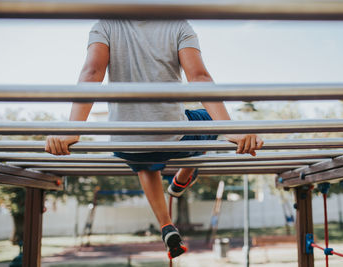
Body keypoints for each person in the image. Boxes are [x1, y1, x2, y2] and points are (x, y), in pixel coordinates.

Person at [45, 20, 264, 259]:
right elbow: (199, 76)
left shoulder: (105, 25)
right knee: (207, 120)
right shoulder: (178, 25)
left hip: (126, 143)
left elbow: (91, 73)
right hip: (174, 136)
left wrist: (72, 130)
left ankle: (165, 225)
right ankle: (183, 176)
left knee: (144, 158)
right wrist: (231, 129)